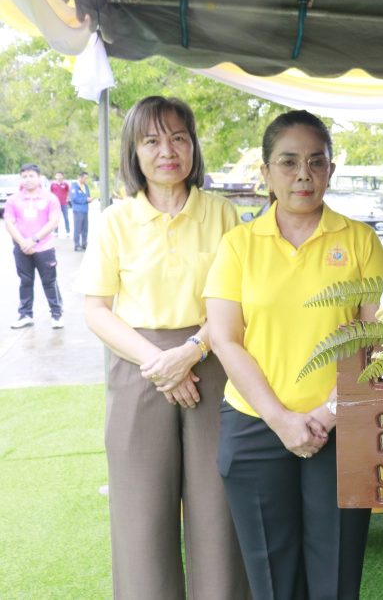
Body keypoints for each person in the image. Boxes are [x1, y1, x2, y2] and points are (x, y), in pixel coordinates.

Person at [205, 110, 383, 600]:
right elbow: (224, 338)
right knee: (272, 577)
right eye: (288, 162)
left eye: (316, 161)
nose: (303, 174)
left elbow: (378, 338)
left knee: (336, 573)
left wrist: (329, 413)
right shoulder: (238, 245)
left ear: (331, 169)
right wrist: (280, 419)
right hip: (254, 424)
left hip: (340, 424)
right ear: (266, 172)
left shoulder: (360, 240)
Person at [76, 97, 248, 599]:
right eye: (151, 140)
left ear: (193, 145)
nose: (167, 150)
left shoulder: (222, 213)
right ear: (133, 151)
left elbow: (237, 301)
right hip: (139, 368)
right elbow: (97, 309)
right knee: (141, 513)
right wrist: (159, 362)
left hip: (212, 361)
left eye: (178, 137)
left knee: (217, 508)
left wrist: (189, 352)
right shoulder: (115, 220)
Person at [5, 163, 63, 329]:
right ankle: (25, 315)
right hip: (21, 248)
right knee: (25, 281)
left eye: (31, 176)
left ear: (39, 178)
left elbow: (53, 222)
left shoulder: (50, 198)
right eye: (24, 176)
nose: (28, 179)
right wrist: (23, 242)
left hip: (44, 248)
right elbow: (9, 223)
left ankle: (56, 315)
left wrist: (34, 240)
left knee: (49, 282)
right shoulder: (13, 200)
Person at [70, 170, 95, 251]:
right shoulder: (74, 186)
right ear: (79, 177)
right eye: (84, 178)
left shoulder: (85, 186)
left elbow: (88, 195)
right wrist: (85, 199)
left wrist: (89, 199)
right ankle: (77, 245)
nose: (85, 180)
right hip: (78, 210)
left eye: (86, 178)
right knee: (77, 228)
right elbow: (74, 198)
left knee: (85, 228)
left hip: (85, 210)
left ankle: (84, 244)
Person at [50, 171, 70, 237]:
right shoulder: (53, 184)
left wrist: (67, 199)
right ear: (55, 176)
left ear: (62, 176)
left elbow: (68, 192)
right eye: (57, 175)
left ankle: (68, 231)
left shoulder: (65, 184)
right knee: (56, 218)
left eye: (60, 175)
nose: (58, 177)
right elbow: (51, 193)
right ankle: (56, 231)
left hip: (64, 204)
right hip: (56, 204)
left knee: (66, 218)